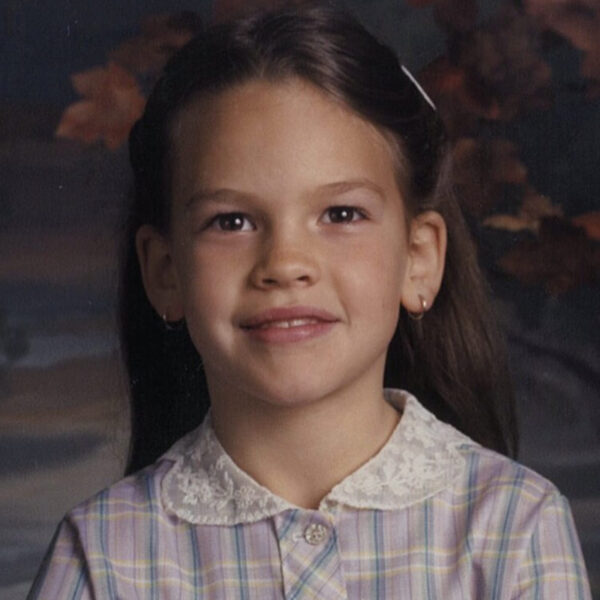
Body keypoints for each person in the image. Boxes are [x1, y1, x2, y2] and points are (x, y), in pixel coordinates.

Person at [29, 4, 591, 598]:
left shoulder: (514, 528)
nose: (285, 263)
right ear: (165, 272)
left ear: (419, 258)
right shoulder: (104, 551)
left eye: (341, 214)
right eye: (231, 221)